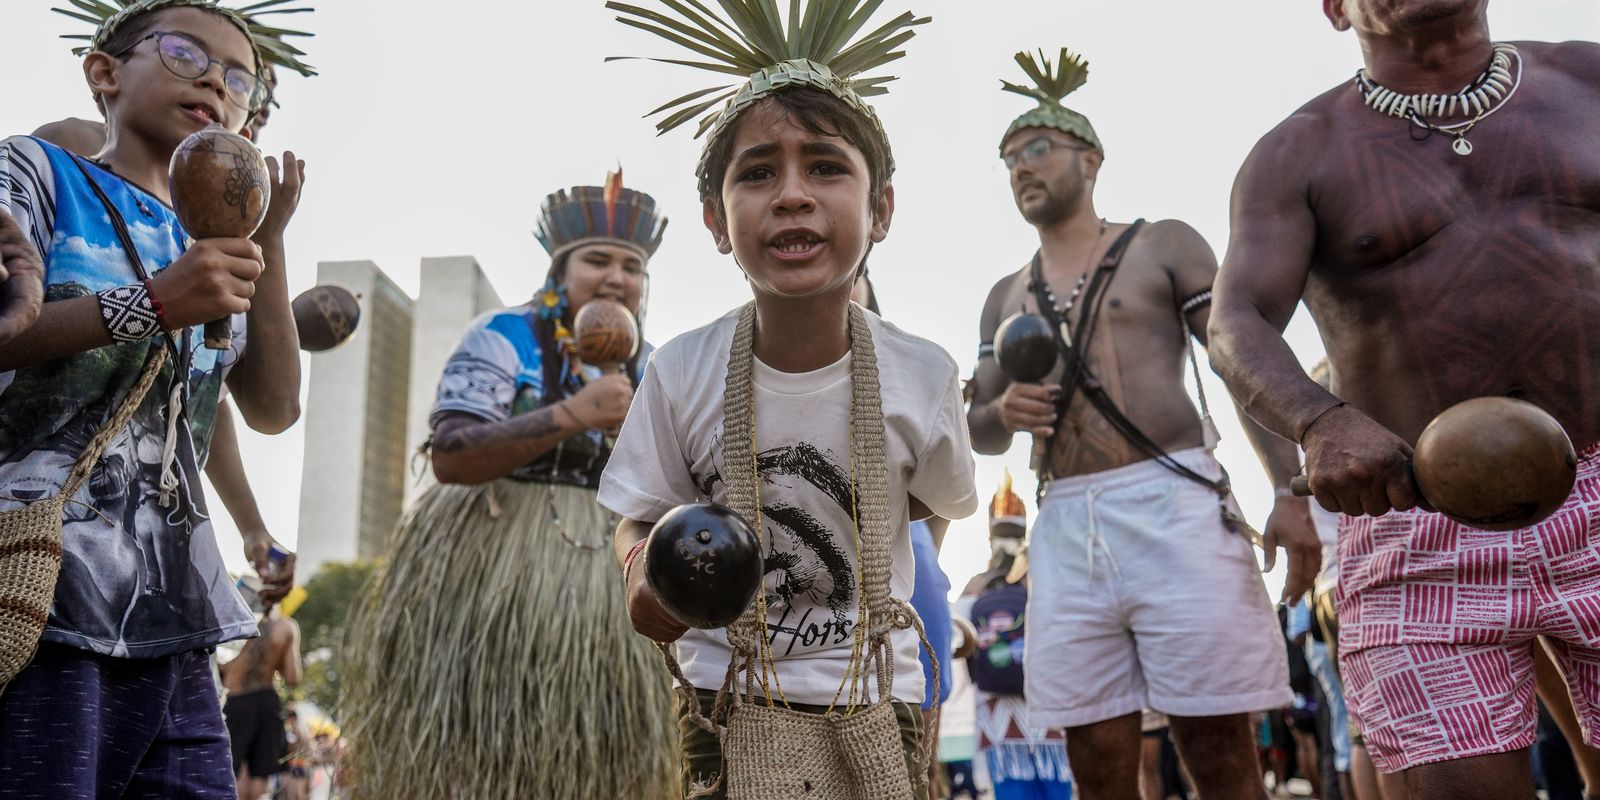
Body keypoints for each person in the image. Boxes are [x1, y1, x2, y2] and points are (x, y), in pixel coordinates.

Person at [1206, 2, 1600, 797]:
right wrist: (1320, 419)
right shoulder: (1298, 152)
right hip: (1413, 521)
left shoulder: (1587, 80)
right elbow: (1235, 320)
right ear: (1334, 7)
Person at [599, 3, 977, 798]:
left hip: (879, 695)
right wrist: (639, 566)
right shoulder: (680, 372)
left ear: (881, 211)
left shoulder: (923, 376)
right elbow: (639, 512)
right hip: (722, 698)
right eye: (759, 171)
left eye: (827, 167)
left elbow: (933, 508)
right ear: (715, 219)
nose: (793, 195)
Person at [965, 47, 1311, 800]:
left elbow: (1239, 363)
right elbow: (980, 430)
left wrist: (1291, 490)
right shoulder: (1003, 295)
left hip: (1174, 501)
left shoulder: (1164, 244)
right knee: (1094, 754)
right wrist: (999, 410)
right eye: (1008, 159)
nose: (1021, 168)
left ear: (1089, 157)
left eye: (1036, 149)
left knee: (1218, 745)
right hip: (1064, 520)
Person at [0, 1, 303, 795]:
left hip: (175, 621)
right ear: (104, 73)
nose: (213, 78)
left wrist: (266, 236)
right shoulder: (36, 172)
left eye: (240, 79)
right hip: (38, 591)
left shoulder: (206, 238)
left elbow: (271, 407)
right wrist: (156, 302)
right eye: (182, 53)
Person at [340, 170, 677, 799]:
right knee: (476, 756)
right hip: (492, 563)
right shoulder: (503, 337)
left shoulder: (657, 364)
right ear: (558, 272)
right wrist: (576, 414)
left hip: (610, 574)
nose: (615, 278)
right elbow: (451, 453)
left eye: (632, 267)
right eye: (597, 260)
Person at [961, 474, 1073, 800]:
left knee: (1013, 792)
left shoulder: (974, 589)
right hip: (1048, 713)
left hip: (997, 719)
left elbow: (966, 654)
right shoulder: (1042, 582)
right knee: (1056, 790)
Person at [219, 579, 302, 800]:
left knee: (230, 772)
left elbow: (218, 667)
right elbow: (293, 677)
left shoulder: (234, 623)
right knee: (260, 780)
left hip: (235, 700)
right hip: (266, 699)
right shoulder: (286, 627)